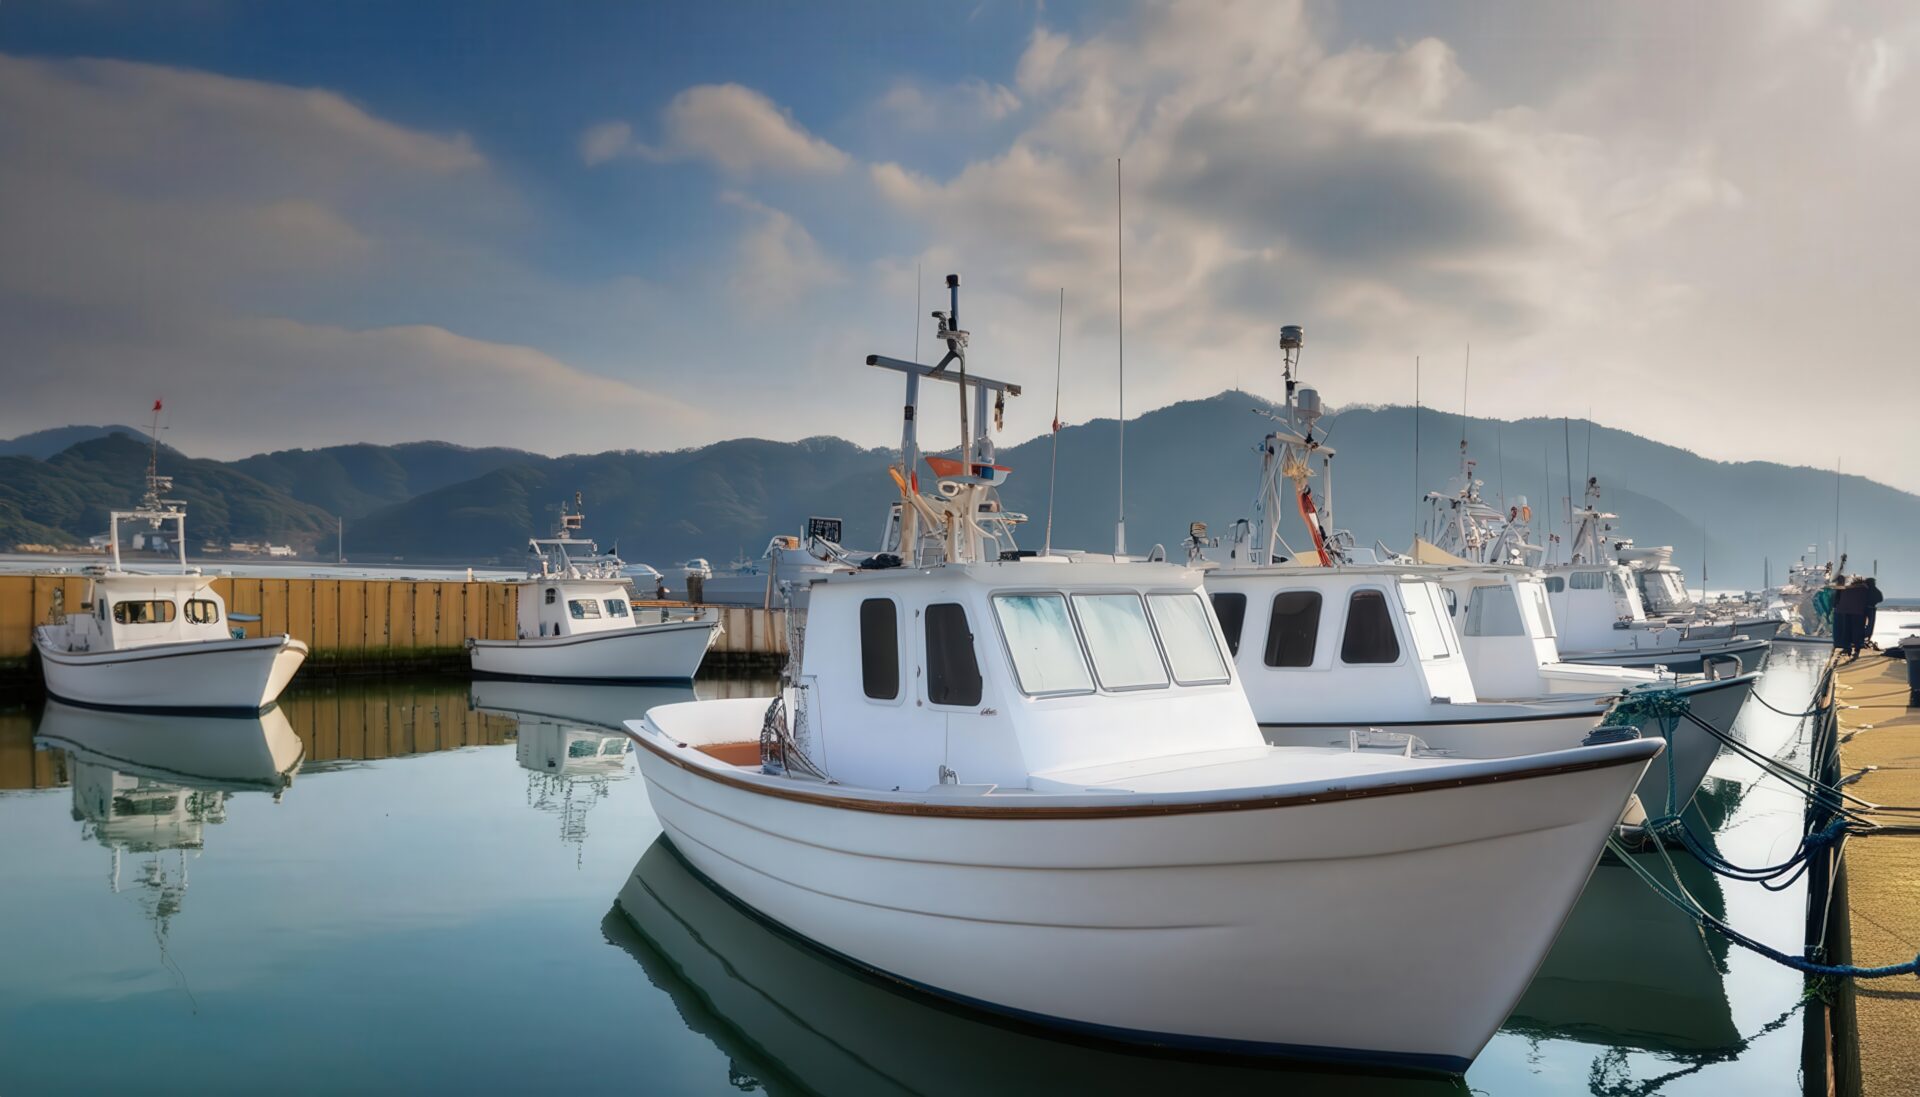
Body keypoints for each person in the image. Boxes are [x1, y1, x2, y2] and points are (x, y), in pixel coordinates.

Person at [1834, 577, 1871, 660]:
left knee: (1846, 630)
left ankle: (1847, 648)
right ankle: (1856, 649)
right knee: (1856, 630)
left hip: (1846, 608)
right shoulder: (1864, 586)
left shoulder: (1844, 580)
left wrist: (1836, 604)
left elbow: (1838, 591)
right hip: (1857, 609)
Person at [1864, 576, 1885, 650]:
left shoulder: (1865, 590)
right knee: (1870, 625)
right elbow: (1881, 598)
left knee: (1863, 624)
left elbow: (1880, 598)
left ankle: (1864, 638)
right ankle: (1867, 637)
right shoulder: (1875, 590)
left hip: (1864, 608)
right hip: (1871, 608)